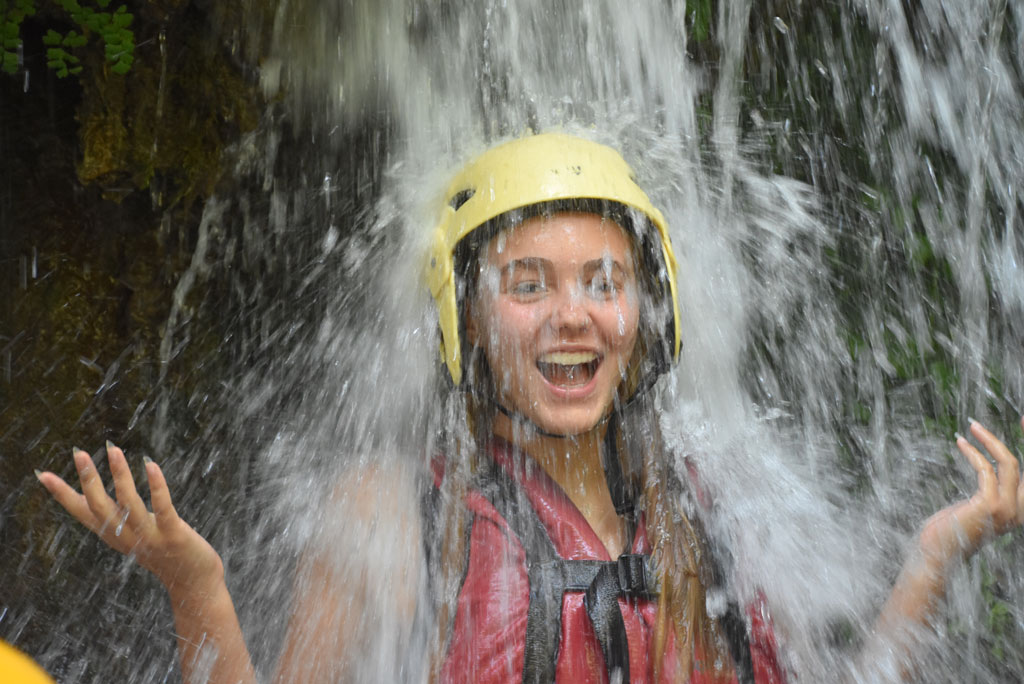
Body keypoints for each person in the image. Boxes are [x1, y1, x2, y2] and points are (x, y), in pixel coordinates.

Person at [37, 132, 1024, 683]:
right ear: (465, 315)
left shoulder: (709, 512)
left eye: (604, 281)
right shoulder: (391, 515)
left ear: (648, 309)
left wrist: (932, 561)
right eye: (527, 284)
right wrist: (196, 590)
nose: (572, 316)